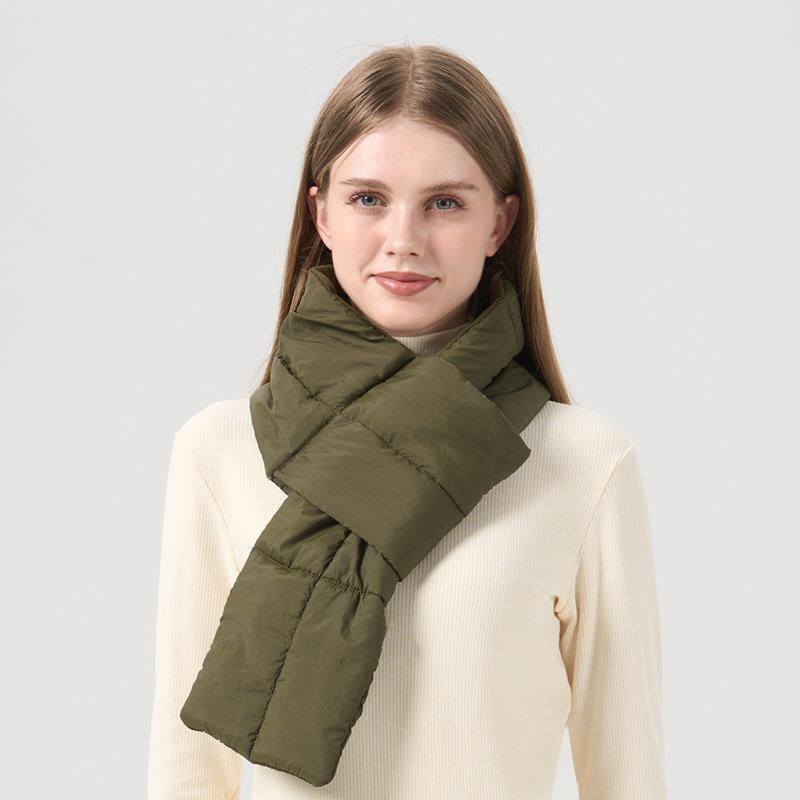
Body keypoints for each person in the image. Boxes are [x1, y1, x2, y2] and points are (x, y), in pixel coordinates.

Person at [147, 43, 667, 799]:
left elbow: (629, 778)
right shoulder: (219, 450)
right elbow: (187, 774)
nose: (404, 239)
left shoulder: (584, 463)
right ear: (321, 214)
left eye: (445, 203)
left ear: (500, 224)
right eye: (368, 199)